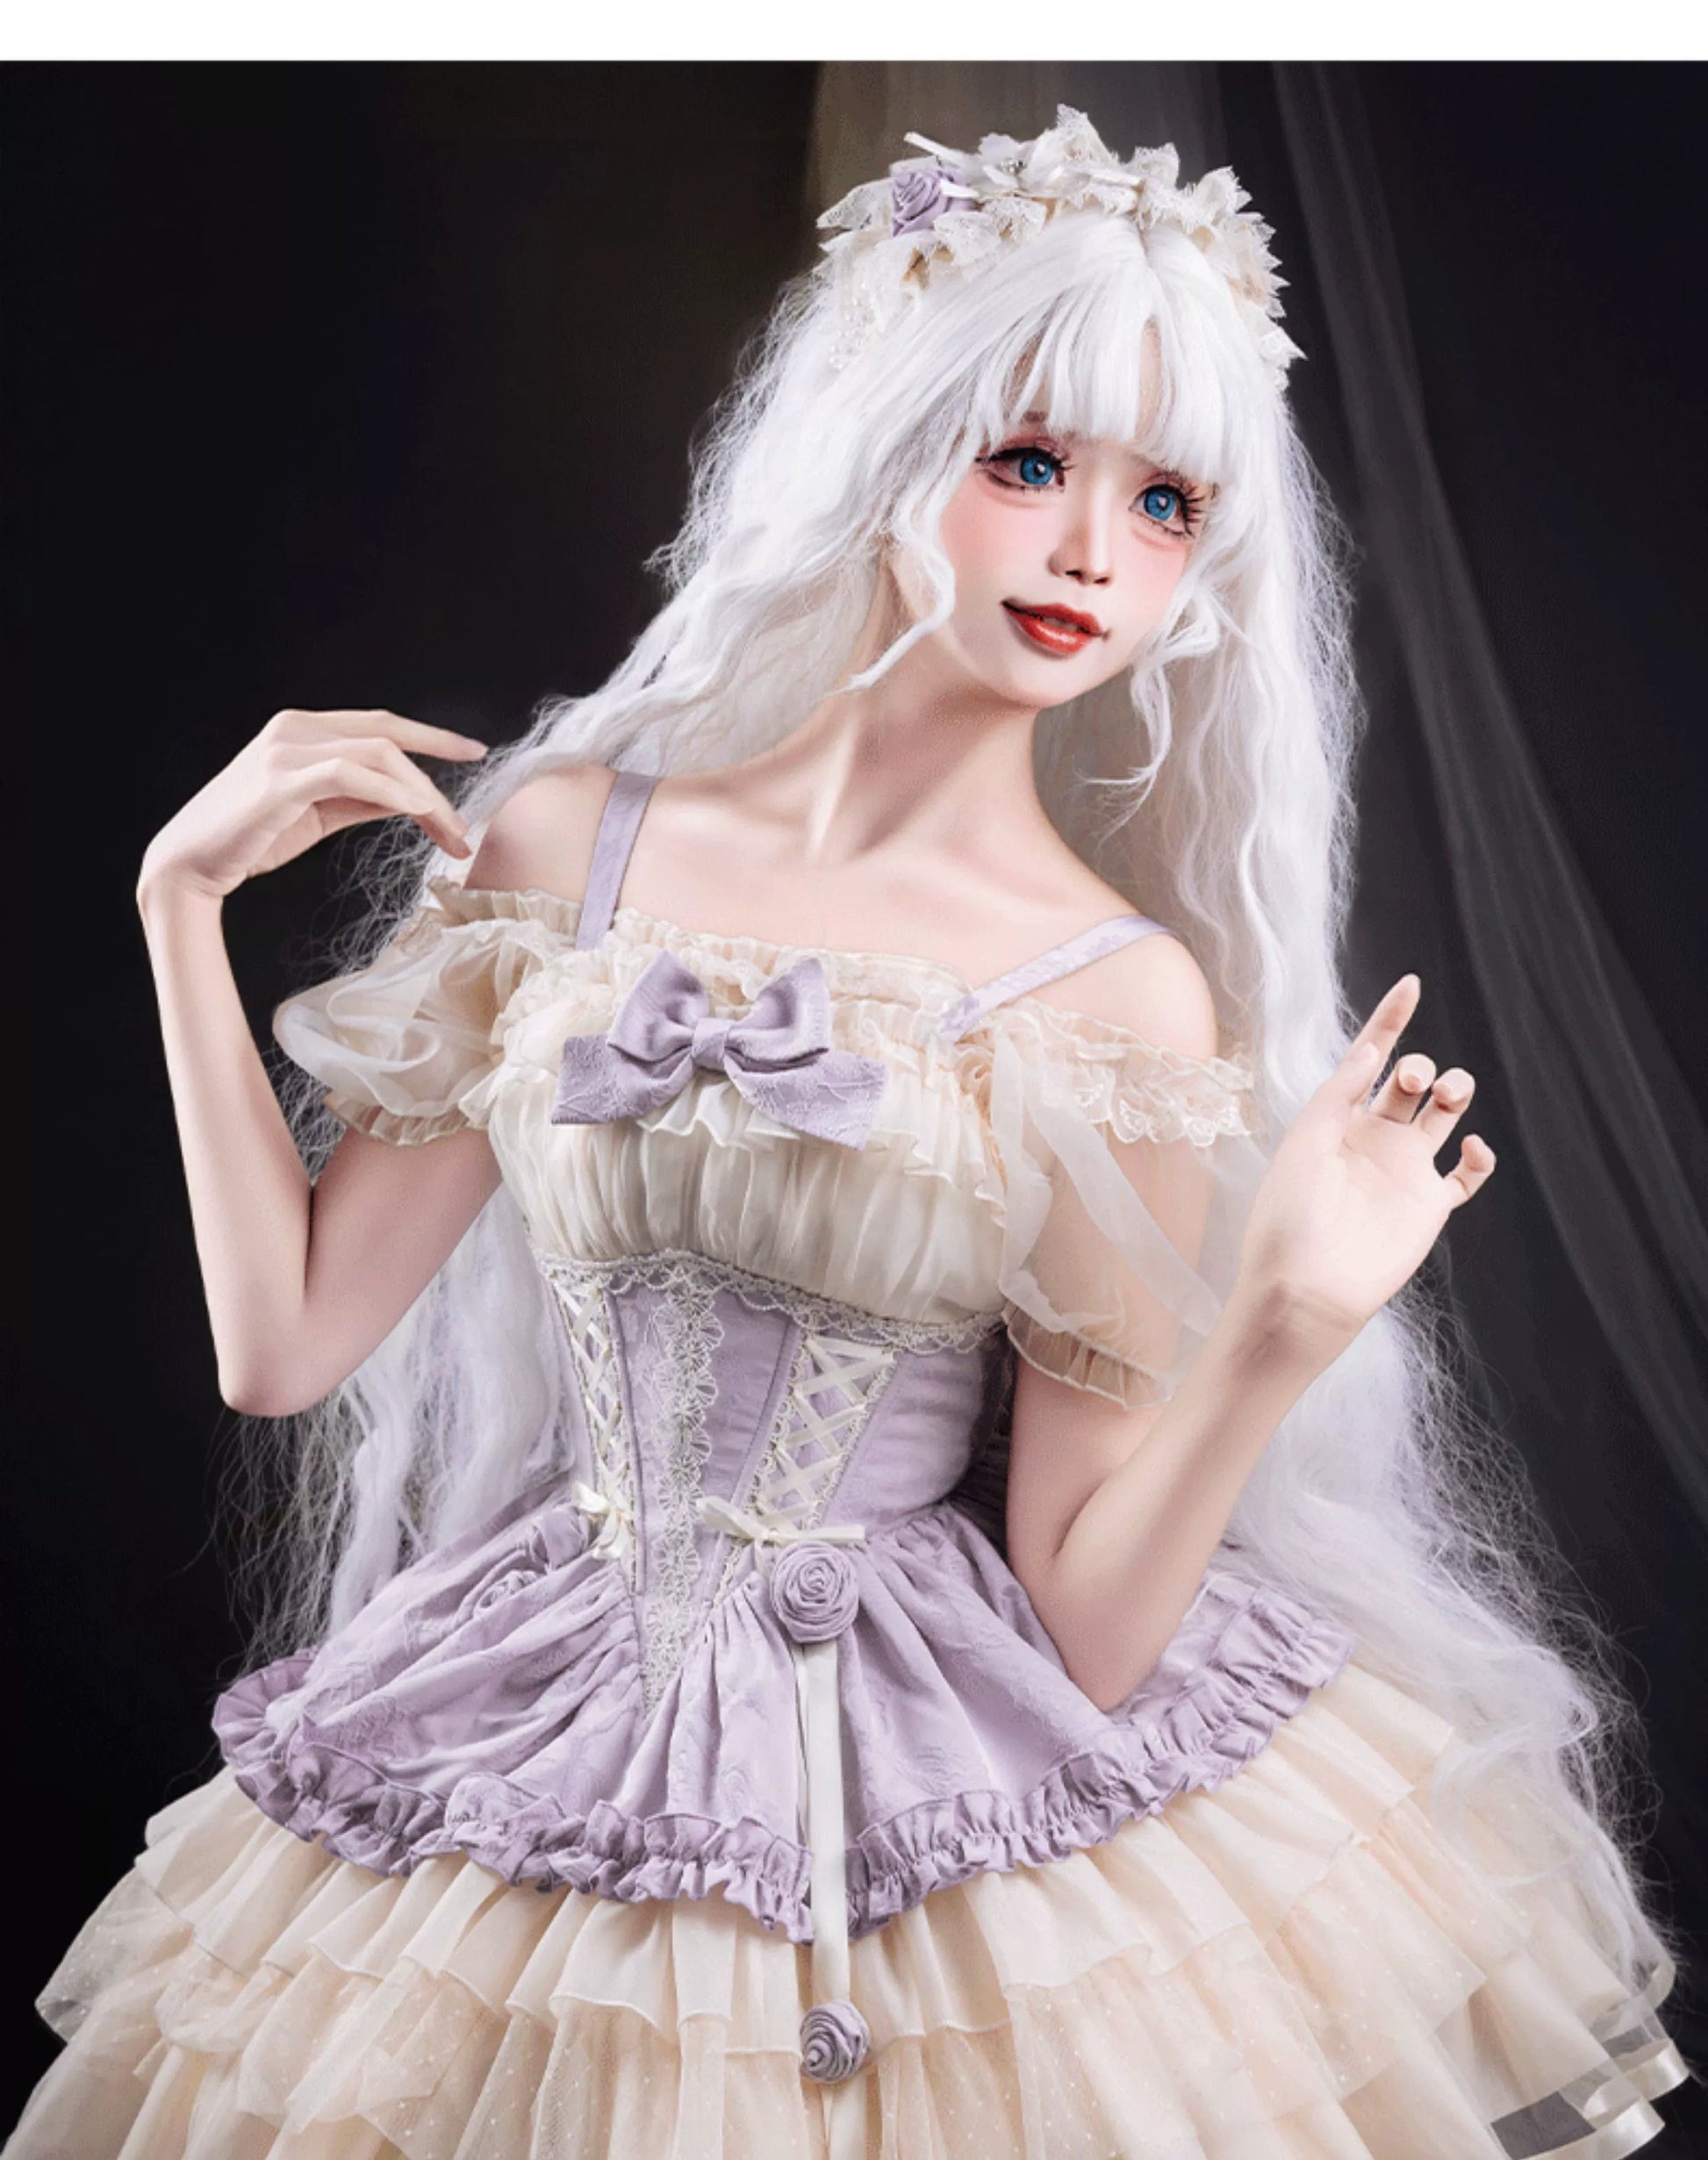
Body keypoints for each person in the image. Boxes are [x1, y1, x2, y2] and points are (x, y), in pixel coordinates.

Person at [8, 106, 1690, 2159]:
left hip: (914, 1743)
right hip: (542, 1696)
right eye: (1028, 462)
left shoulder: (1116, 996)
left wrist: (1280, 1325)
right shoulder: (563, 844)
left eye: (1165, 501)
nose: (1092, 551)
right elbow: (283, 1345)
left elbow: (1083, 1622)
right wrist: (177, 907)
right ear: (882, 446)